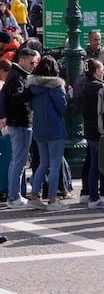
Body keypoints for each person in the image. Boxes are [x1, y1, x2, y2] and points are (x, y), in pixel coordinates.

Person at [26, 56, 68, 210]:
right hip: (55, 128)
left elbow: (31, 106)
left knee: (43, 162)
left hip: (39, 128)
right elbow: (63, 107)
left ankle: (34, 196)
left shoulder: (33, 87)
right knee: (55, 164)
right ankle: (52, 199)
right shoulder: (55, 87)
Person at [76, 58, 104, 209]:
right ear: (95, 71)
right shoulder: (102, 88)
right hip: (101, 130)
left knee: (93, 165)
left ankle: (93, 198)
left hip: (89, 130)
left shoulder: (83, 85)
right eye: (101, 69)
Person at [4, 47, 40, 206]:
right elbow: (16, 98)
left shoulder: (15, 75)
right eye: (32, 62)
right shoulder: (17, 76)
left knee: (17, 160)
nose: (33, 65)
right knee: (19, 161)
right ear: (23, 60)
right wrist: (31, 90)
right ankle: (14, 196)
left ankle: (14, 195)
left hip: (18, 122)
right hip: (20, 122)